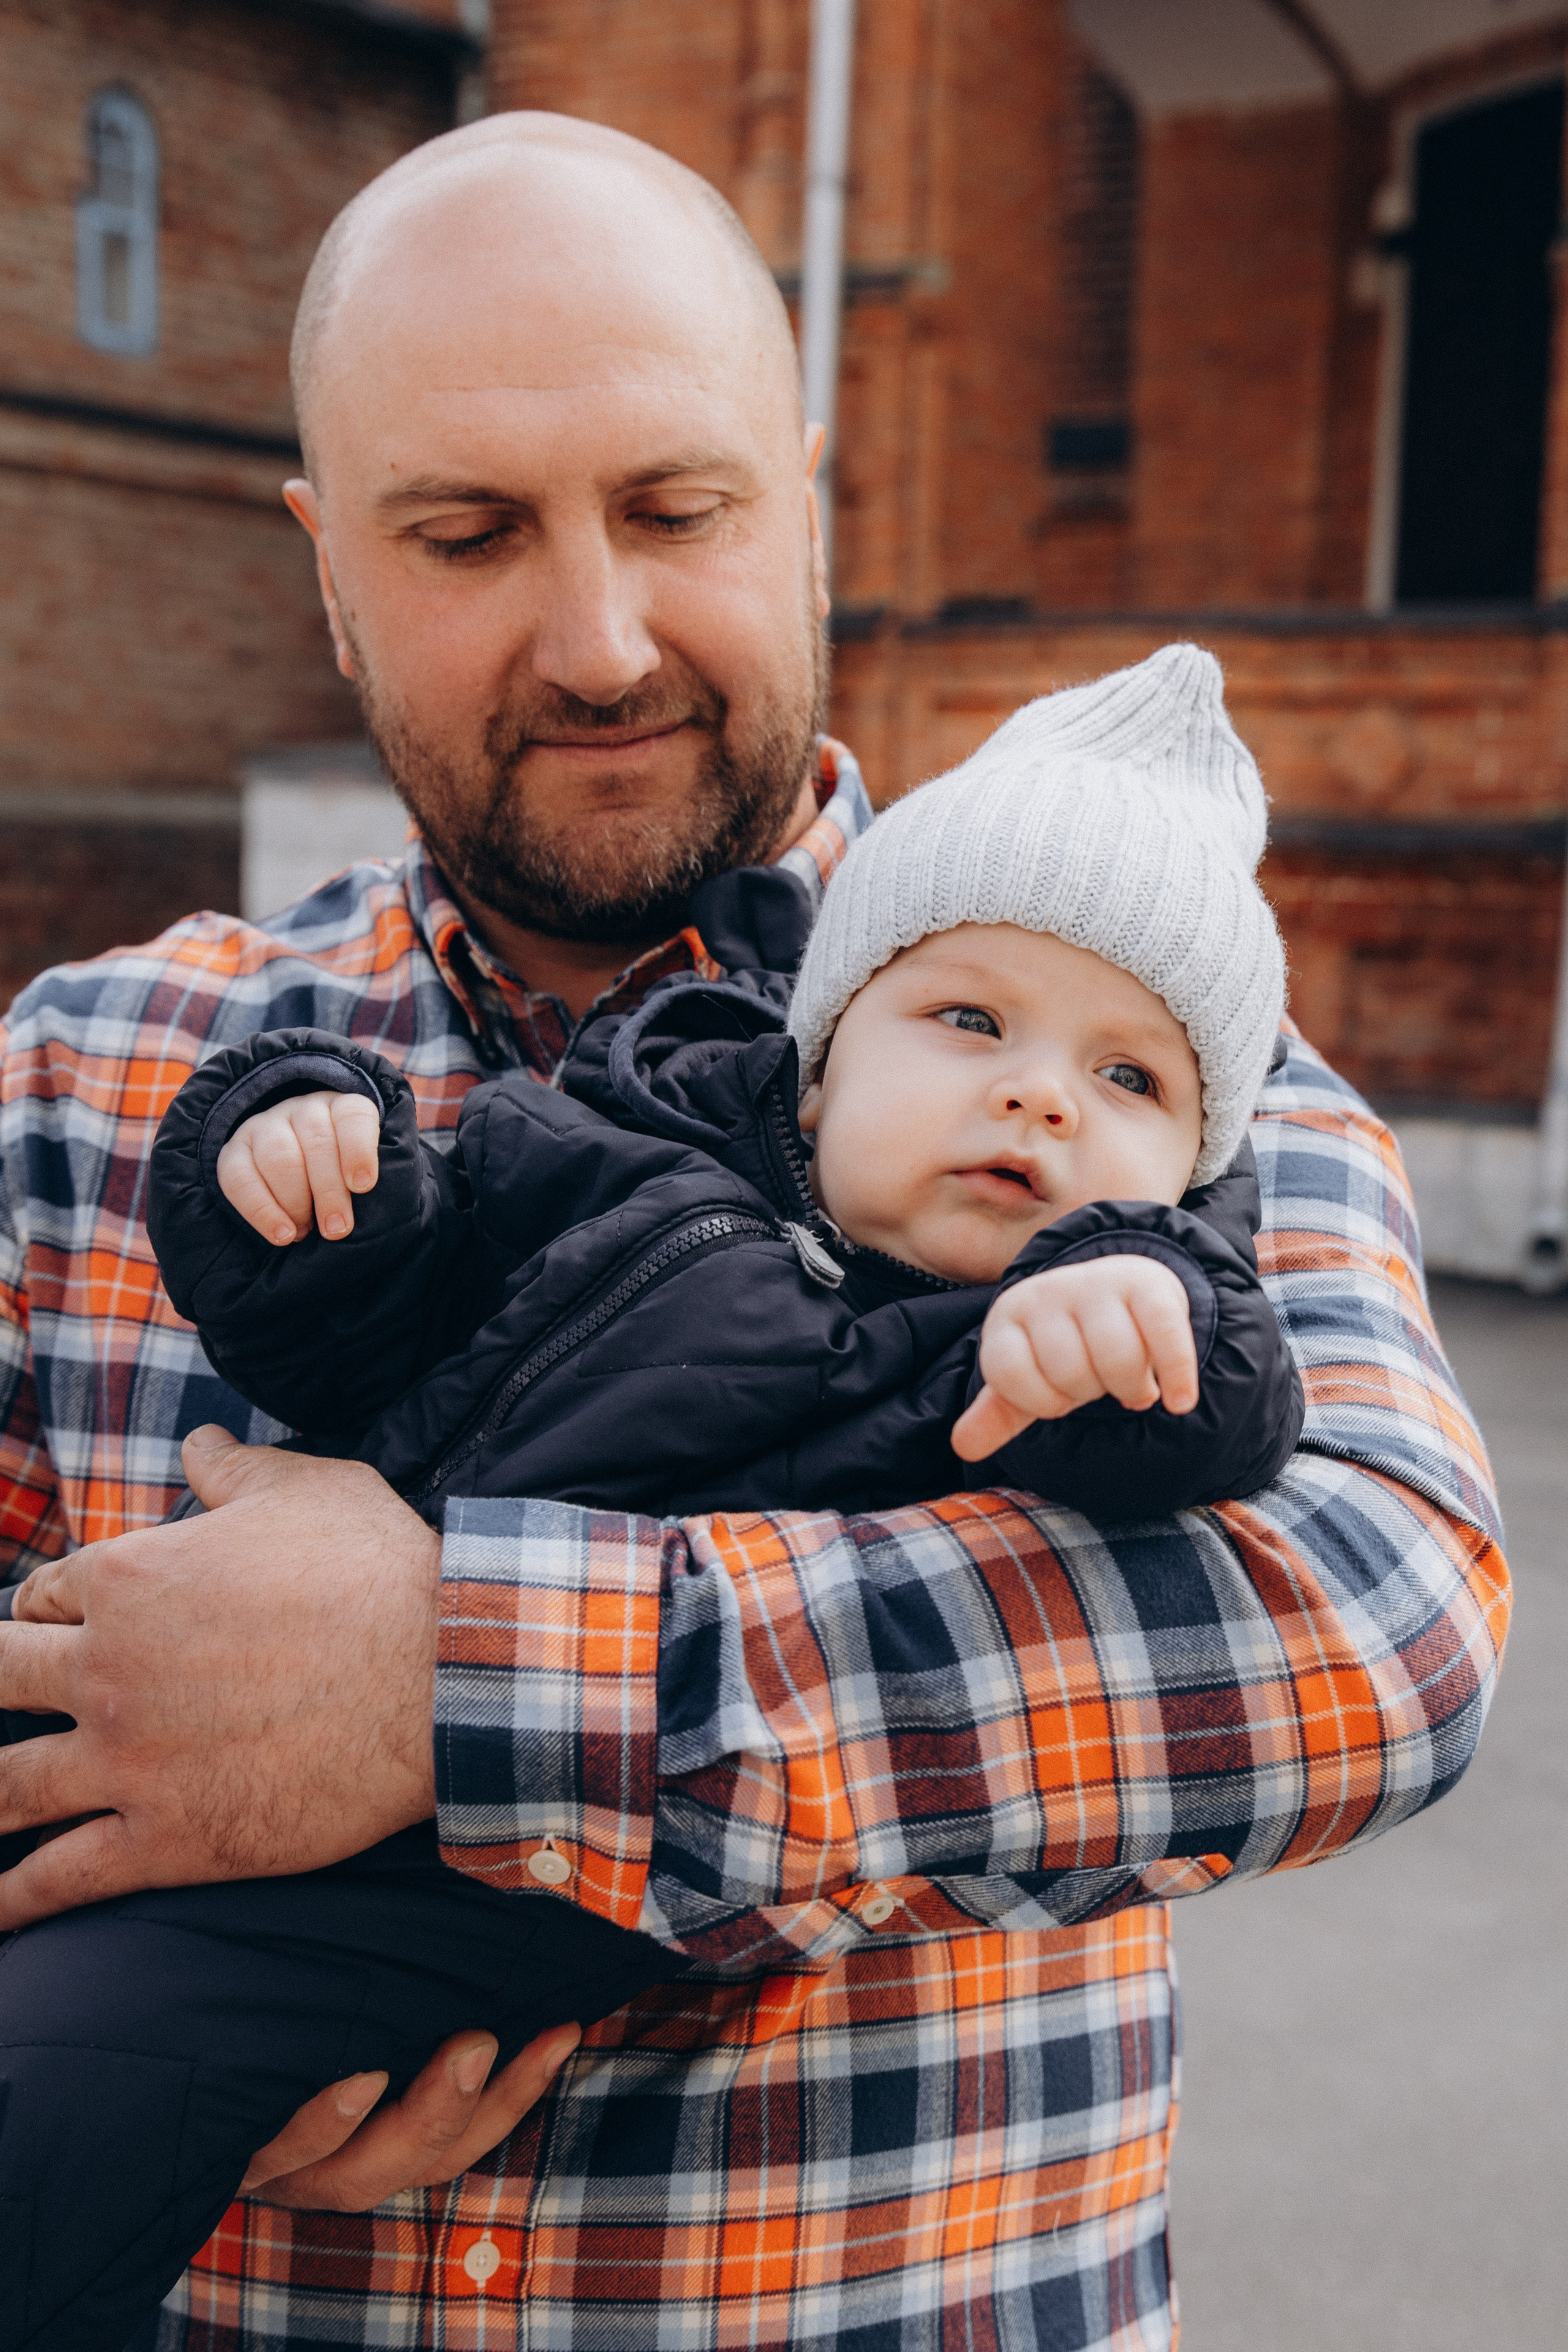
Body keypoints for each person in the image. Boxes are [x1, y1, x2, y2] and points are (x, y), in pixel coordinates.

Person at [0, 113, 1505, 2352]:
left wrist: (452, 1675)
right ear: (327, 566)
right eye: (467, 532)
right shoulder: (90, 1078)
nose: (598, 636)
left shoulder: (1144, 1081)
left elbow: (1371, 1626)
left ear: (809, 501)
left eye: (679, 508)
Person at [1, 644, 1306, 2351]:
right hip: (175, 1717)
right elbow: (373, 1321)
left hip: (469, 1883)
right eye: (970, 1018)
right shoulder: (616, 1141)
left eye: (1132, 1081)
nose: (1042, 1091)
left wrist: (1151, 1328)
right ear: (824, 1060)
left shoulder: (1019, 1364)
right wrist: (301, 1159)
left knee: (66, 2080)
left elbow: (1251, 1488)